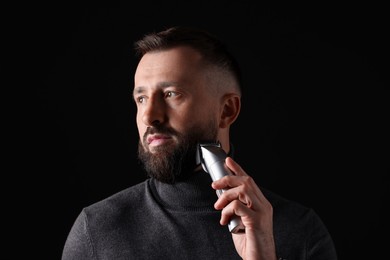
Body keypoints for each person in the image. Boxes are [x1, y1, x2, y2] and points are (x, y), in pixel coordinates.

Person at [62, 26, 338, 260]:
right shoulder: (97, 231)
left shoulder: (298, 232)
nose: (149, 116)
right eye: (141, 98)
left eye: (171, 94)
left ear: (227, 110)